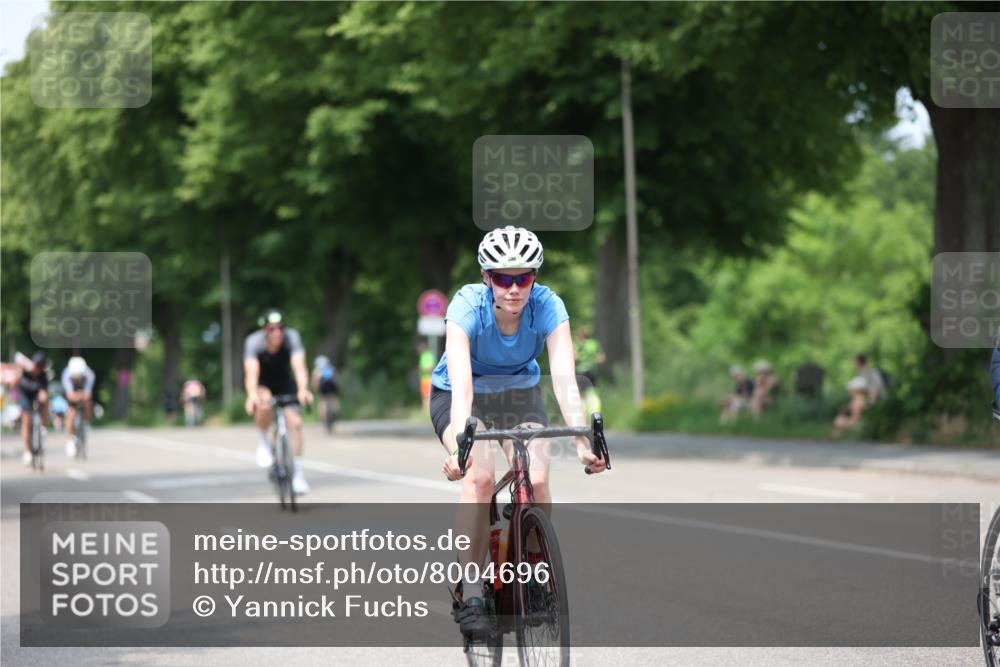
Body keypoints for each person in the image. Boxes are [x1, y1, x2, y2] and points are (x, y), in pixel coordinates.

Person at [429, 226, 607, 638]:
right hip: (461, 394)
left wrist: (582, 443)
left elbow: (564, 379)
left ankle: (534, 575)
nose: (513, 288)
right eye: (503, 278)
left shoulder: (547, 306)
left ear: (535, 278)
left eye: (522, 277)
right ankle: (471, 590)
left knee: (539, 477)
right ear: (486, 277)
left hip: (519, 393)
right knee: (481, 476)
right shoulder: (465, 308)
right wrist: (461, 447)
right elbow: (462, 385)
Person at [244, 309, 314, 495]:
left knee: (296, 424)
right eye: (272, 329)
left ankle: (298, 476)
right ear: (265, 330)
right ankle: (264, 444)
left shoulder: (292, 338)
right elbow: (252, 373)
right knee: (264, 402)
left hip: (284, 382)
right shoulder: (253, 342)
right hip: (264, 383)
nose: (278, 333)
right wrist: (252, 394)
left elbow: (299, 367)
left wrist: (303, 389)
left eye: (281, 328)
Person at [15, 352, 51, 466]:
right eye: (36, 365)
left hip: (36, 394)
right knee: (26, 420)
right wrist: (18, 372)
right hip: (25, 395)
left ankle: (43, 426)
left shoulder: (44, 375)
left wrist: (43, 396)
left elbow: (44, 392)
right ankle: (27, 451)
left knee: (45, 402)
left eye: (40, 366)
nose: (37, 368)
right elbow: (13, 384)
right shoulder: (25, 370)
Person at [62, 356, 95, 457]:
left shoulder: (89, 374)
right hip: (72, 392)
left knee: (88, 402)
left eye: (79, 377)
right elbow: (70, 395)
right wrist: (77, 396)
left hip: (83, 391)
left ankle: (86, 422)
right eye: (75, 378)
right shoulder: (66, 374)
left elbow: (88, 394)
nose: (77, 380)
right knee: (71, 413)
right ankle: (69, 439)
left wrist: (83, 395)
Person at [573, 326, 606, 415]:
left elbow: (575, 357)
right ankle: (595, 413)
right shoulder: (594, 344)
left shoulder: (577, 345)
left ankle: (583, 416)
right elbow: (601, 359)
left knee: (581, 395)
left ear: (579, 336)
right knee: (592, 393)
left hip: (580, 372)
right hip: (592, 372)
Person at [310, 355, 339, 432]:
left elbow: (315, 384)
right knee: (333, 398)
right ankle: (335, 411)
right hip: (332, 386)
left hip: (323, 387)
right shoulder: (331, 368)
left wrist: (315, 389)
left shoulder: (317, 370)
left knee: (322, 400)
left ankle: (324, 418)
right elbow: (336, 380)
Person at [417, 342, 435, 413]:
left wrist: (423, 370)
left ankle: (428, 411)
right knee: (424, 395)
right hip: (423, 379)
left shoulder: (429, 355)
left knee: (428, 395)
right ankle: (424, 410)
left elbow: (431, 367)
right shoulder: (422, 356)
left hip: (428, 378)